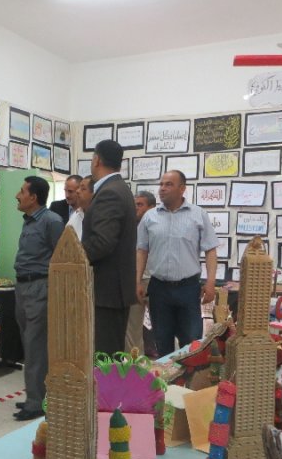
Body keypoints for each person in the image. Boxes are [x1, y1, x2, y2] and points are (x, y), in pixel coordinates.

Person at [136, 170, 218, 356]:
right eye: (161, 184)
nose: (162, 189)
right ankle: (166, 376)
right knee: (162, 342)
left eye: (168, 184)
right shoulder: (150, 217)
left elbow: (210, 250)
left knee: (191, 343)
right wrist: (137, 281)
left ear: (182, 189)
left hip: (188, 289)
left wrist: (211, 282)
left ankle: (189, 376)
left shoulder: (198, 215)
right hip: (159, 289)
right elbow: (141, 251)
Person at [13, 176, 65, 421]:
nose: (17, 195)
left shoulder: (52, 221)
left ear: (33, 197)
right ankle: (35, 395)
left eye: (22, 191)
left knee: (36, 345)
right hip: (22, 287)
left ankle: (36, 403)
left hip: (40, 287)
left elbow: (61, 258)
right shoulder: (29, 221)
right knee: (29, 343)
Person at [82, 140, 137, 355]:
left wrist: (74, 256)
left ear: (96, 160)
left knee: (105, 358)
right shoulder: (119, 188)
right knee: (109, 357)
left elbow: (102, 242)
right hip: (113, 292)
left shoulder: (109, 192)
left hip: (107, 293)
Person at [124, 190, 156, 355]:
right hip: (136, 281)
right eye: (134, 204)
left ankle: (173, 364)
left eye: (140, 204)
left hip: (156, 280)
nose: (135, 208)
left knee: (164, 327)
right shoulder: (128, 226)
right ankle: (135, 366)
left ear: (152, 207)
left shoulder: (159, 226)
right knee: (133, 329)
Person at [66, 175, 93, 240]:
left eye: (83, 189)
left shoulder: (100, 219)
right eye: (79, 188)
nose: (77, 191)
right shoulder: (76, 214)